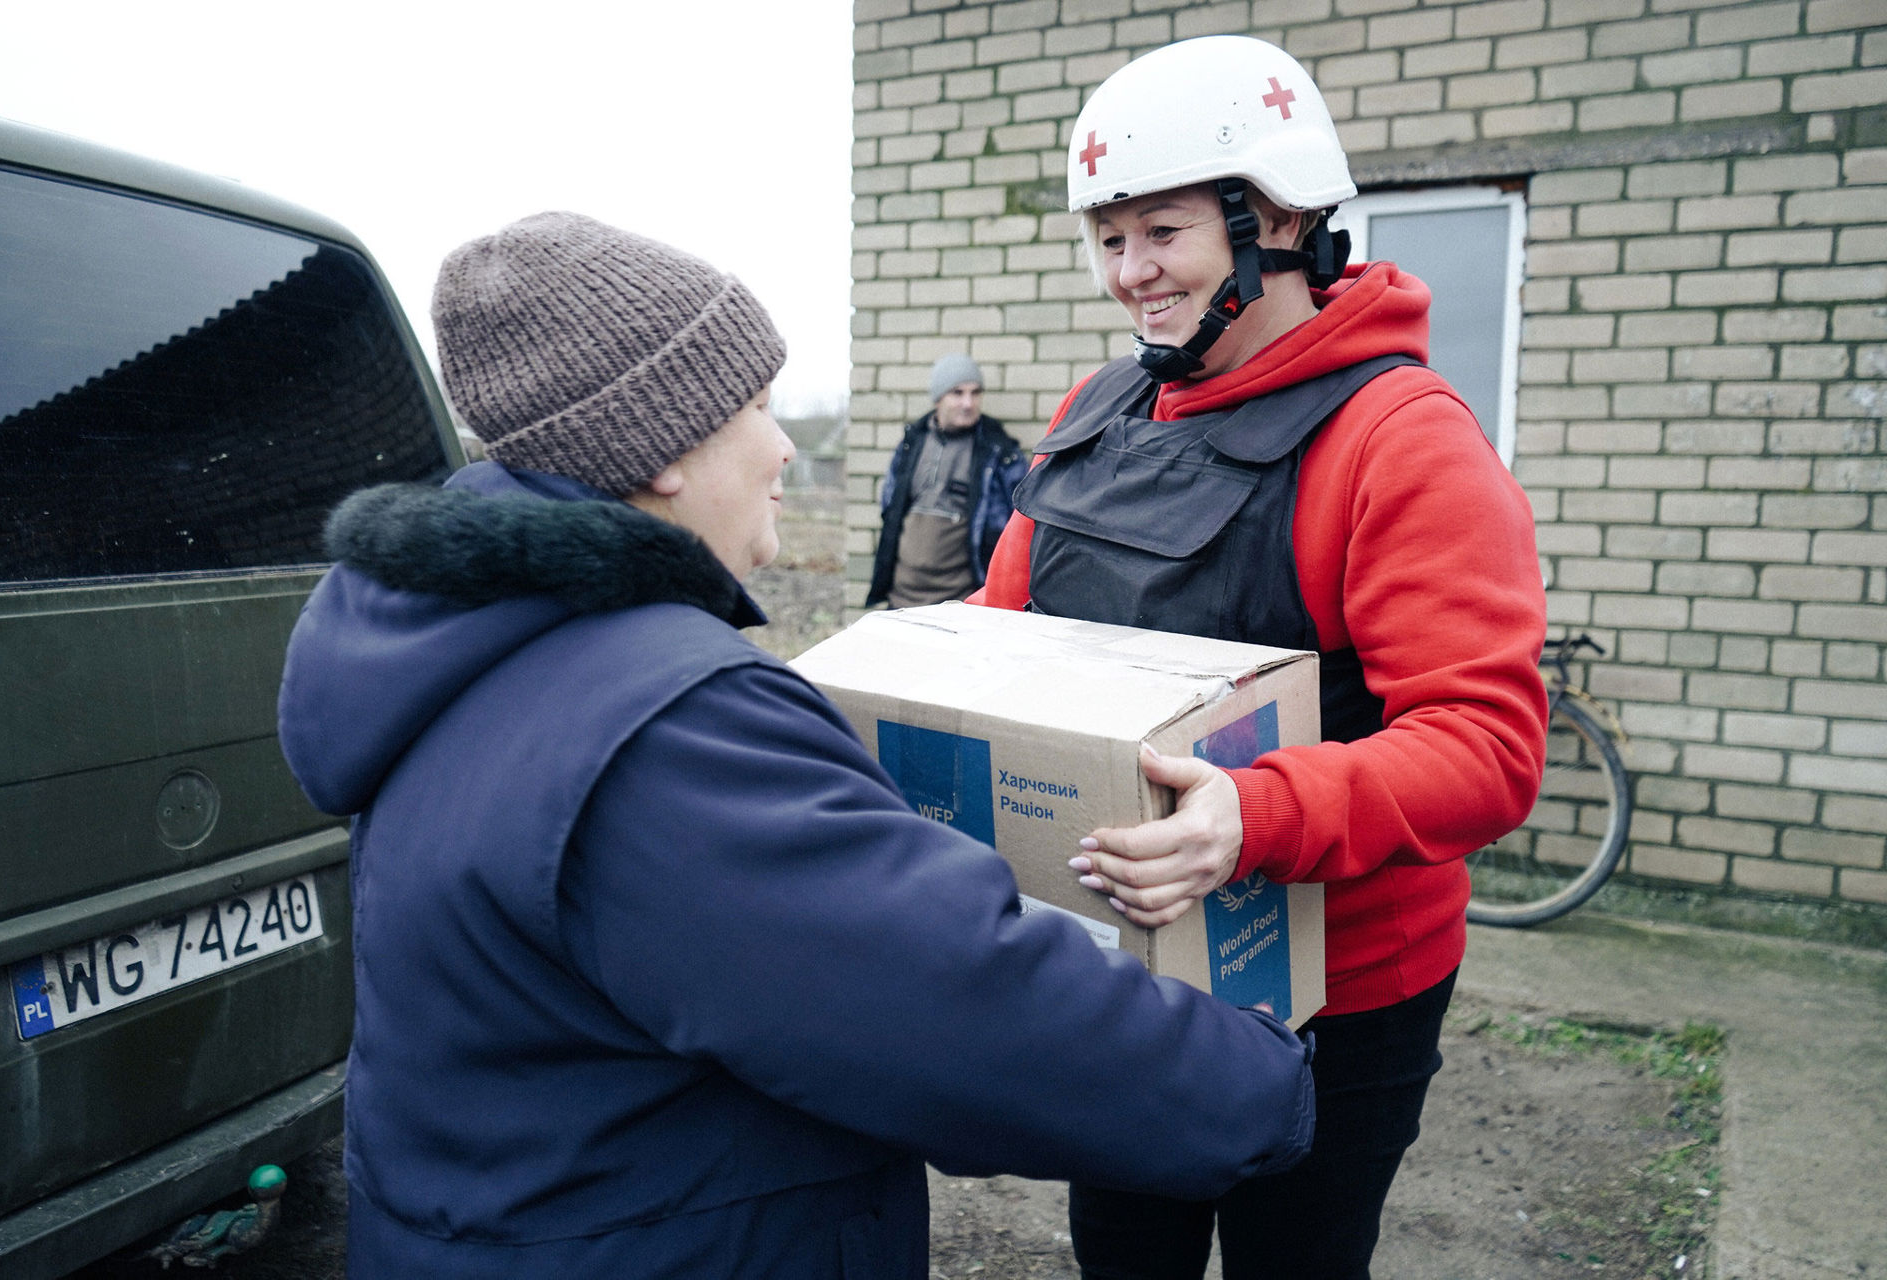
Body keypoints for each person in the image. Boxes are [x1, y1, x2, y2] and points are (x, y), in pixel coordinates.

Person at [275, 212, 1318, 1279]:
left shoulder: (468, 648)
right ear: (663, 450)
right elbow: (954, 1006)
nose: (784, 449)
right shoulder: (666, 724)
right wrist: (1257, 1083)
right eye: (758, 408)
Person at [971, 36, 1551, 1280]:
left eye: (1162, 232)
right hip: (1130, 964)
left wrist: (1254, 813)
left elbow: (1486, 750)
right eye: (1108, 237)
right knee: (1125, 1249)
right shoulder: (1098, 414)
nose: (1131, 273)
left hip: (1340, 995)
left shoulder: (1402, 439)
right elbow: (995, 634)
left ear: (1275, 218)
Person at [865, 353, 1027, 608]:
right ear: (938, 397)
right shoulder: (912, 443)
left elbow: (1018, 527)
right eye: (957, 393)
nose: (968, 403)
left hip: (960, 604)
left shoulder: (999, 452)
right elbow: (889, 507)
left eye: (975, 393)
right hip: (902, 599)